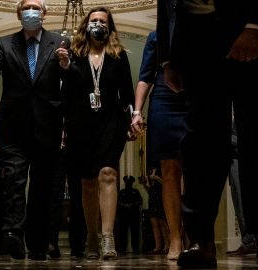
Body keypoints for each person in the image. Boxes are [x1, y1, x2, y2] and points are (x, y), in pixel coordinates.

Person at [156, 0, 258, 268]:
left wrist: (257, 26)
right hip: (195, 36)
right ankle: (201, 239)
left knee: (257, 133)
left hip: (253, 25)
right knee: (201, 139)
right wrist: (168, 57)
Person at [0, 0, 70, 261]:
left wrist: (66, 67)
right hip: (13, 126)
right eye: (26, 7)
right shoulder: (5, 44)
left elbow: (72, 81)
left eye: (36, 7)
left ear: (45, 13)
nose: (32, 12)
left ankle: (38, 243)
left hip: (48, 125)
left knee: (42, 186)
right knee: (14, 182)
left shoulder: (60, 43)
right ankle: (13, 235)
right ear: (18, 14)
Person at [56, 6, 135, 260]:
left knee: (108, 173)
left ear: (109, 27)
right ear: (85, 26)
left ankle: (108, 237)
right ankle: (92, 235)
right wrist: (66, 69)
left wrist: (133, 117)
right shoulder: (74, 55)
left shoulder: (118, 56)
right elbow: (66, 97)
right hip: (81, 124)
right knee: (88, 182)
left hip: (111, 122)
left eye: (102, 21)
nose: (98, 24)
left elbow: (127, 93)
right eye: (94, 21)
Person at [131, 30, 185, 260]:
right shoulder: (156, 36)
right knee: (169, 169)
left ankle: (196, 235)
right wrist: (137, 111)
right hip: (164, 98)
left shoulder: (204, 26)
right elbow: (146, 76)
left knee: (195, 168)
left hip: (197, 96)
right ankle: (175, 238)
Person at [226, 110, 257, 256]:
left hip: (240, 154)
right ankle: (249, 240)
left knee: (242, 198)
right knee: (238, 198)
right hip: (234, 155)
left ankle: (250, 240)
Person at [140, 166, 170, 255]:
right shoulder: (149, 172)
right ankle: (158, 247)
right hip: (152, 199)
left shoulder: (162, 170)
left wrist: (156, 178)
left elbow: (167, 185)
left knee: (163, 223)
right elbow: (149, 189)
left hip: (161, 197)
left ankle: (167, 246)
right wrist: (144, 184)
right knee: (154, 224)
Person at [117, 175, 143, 253]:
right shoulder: (121, 192)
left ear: (132, 182)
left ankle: (135, 249)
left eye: (129, 182)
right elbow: (117, 202)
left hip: (134, 214)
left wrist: (132, 205)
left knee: (135, 232)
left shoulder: (135, 191)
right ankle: (122, 249)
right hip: (123, 215)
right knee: (122, 232)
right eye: (127, 182)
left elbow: (140, 201)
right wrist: (124, 205)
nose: (128, 183)